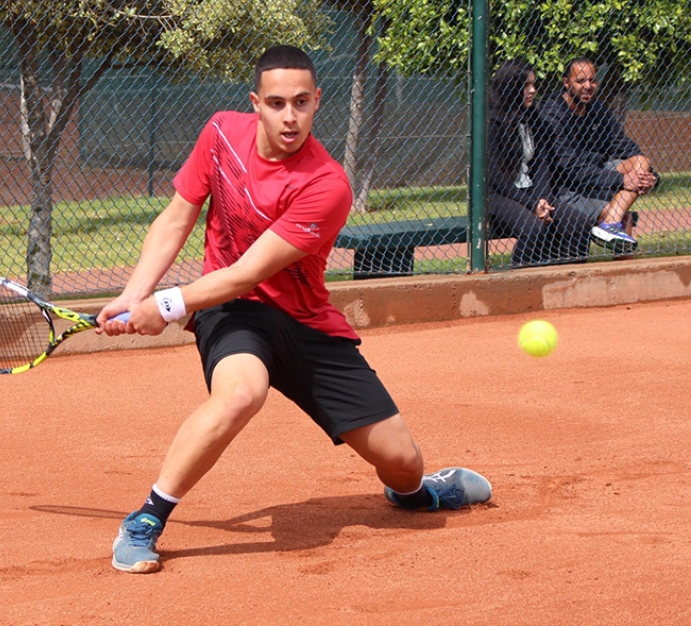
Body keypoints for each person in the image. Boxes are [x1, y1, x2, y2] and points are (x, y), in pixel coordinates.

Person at [94, 45, 492, 574]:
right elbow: (177, 218)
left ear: (317, 101)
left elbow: (252, 269)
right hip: (231, 312)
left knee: (402, 461)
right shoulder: (219, 135)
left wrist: (164, 304)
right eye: (277, 103)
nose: (289, 116)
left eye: (301, 102)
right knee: (240, 396)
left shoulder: (326, 185)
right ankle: (145, 519)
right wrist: (133, 292)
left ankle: (418, 494)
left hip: (305, 323)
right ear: (255, 102)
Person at [538, 57, 659, 256]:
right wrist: (622, 180)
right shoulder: (552, 113)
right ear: (566, 83)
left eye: (592, 80)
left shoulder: (598, 110)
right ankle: (614, 228)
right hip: (565, 187)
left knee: (641, 162)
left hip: (597, 176)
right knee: (625, 218)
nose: (588, 86)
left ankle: (610, 222)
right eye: (580, 81)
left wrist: (650, 177)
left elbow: (623, 145)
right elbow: (569, 169)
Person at [486, 59, 593, 265]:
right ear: (511, 87)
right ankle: (519, 283)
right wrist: (531, 204)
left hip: (533, 193)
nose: (532, 90)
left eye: (534, 84)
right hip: (500, 196)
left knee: (578, 223)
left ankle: (566, 280)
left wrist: (542, 199)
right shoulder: (492, 121)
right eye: (526, 85)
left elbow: (542, 165)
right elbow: (495, 177)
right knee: (534, 228)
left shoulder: (533, 118)